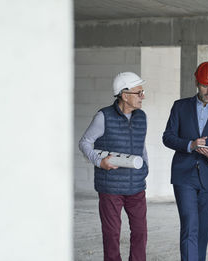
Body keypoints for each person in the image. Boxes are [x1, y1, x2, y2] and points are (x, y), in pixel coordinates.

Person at [162, 61, 208, 261]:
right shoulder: (180, 106)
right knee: (190, 226)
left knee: (203, 230)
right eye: (205, 86)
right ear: (197, 83)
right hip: (184, 175)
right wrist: (190, 144)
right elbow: (168, 137)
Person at [79, 72, 149, 261]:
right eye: (139, 92)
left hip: (136, 187)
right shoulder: (103, 116)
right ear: (124, 95)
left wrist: (145, 169)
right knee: (112, 235)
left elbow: (142, 147)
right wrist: (99, 161)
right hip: (110, 187)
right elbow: (85, 142)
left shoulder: (142, 117)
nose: (143, 96)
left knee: (141, 233)